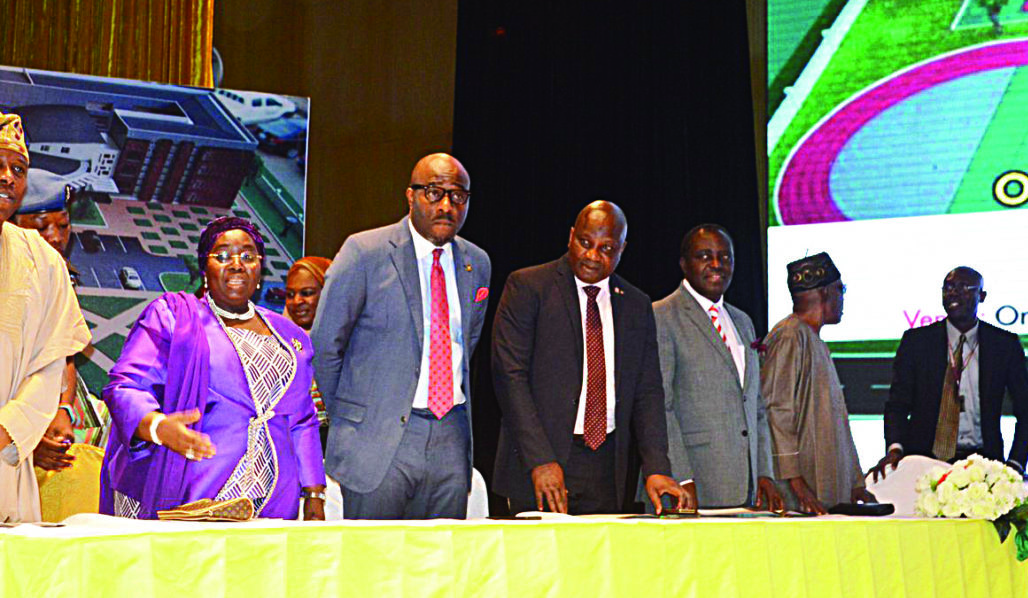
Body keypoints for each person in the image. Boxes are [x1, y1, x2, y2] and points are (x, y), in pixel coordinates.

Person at [100, 217, 325, 520]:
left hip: (274, 502)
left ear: (260, 268)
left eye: (248, 256)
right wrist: (157, 427)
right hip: (193, 493)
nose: (237, 265)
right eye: (223, 256)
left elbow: (302, 420)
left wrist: (314, 494)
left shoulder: (290, 336)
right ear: (204, 269)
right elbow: (125, 386)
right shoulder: (173, 317)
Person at [311, 153, 491, 519]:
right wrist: (353, 419)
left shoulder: (477, 263)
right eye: (434, 193)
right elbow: (326, 345)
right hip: (376, 441)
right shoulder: (365, 252)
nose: (446, 206)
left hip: (451, 436)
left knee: (440, 554)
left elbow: (467, 343)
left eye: (458, 196)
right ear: (411, 196)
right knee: (375, 554)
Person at [492, 200, 689, 515]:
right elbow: (509, 377)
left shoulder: (636, 305)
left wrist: (656, 468)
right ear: (571, 236)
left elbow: (648, 392)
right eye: (585, 243)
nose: (593, 256)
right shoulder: (529, 287)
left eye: (606, 248)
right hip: (540, 464)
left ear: (622, 249)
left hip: (606, 468)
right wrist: (540, 460)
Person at [652, 224, 782, 511]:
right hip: (690, 487)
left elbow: (756, 406)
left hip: (747, 489)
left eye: (725, 257)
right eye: (704, 256)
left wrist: (764, 472)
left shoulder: (742, 321)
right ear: (684, 263)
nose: (716, 264)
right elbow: (660, 407)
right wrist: (681, 477)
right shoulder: (662, 316)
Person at [0, 111, 90, 522]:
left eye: (18, 169)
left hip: (7, 454)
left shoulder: (43, 260)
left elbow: (51, 362)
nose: (8, 177)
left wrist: (10, 428)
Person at [869, 267, 1028, 480]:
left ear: (982, 296)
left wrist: (1016, 463)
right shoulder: (917, 342)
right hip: (922, 461)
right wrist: (895, 448)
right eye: (948, 287)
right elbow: (897, 404)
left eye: (964, 287)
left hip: (983, 464)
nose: (954, 293)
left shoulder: (1003, 344)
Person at [760, 252, 871, 513]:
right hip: (798, 494)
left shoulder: (814, 339)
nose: (842, 297)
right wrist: (796, 483)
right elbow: (776, 410)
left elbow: (838, 421)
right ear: (824, 293)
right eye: (840, 289)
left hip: (821, 489)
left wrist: (855, 482)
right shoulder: (789, 335)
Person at [14, 188, 111, 470]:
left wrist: (63, 410)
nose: (56, 237)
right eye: (41, 227)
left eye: (63, 226)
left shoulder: (58, 276)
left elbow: (65, 357)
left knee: (112, 429)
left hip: (49, 396)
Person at [284, 256, 333, 450]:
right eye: (290, 294)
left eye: (307, 293)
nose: (297, 301)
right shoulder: (276, 345)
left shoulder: (350, 347)